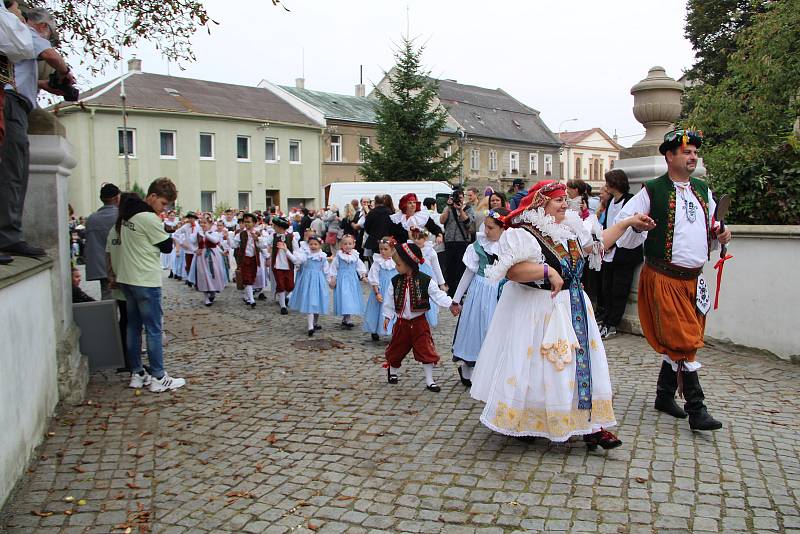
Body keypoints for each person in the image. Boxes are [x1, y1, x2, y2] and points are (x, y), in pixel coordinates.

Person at [470, 180, 654, 448]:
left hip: (574, 307)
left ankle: (592, 426)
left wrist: (627, 224)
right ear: (541, 202)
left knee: (580, 367)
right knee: (542, 369)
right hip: (539, 310)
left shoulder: (570, 228)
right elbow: (512, 271)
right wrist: (546, 271)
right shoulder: (523, 233)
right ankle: (528, 421)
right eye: (558, 200)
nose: (564, 204)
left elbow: (598, 243)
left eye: (565, 200)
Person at [615, 129, 731, 431]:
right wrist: (638, 227)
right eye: (686, 152)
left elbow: (711, 228)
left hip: (693, 281)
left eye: (694, 152)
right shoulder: (651, 190)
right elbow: (623, 229)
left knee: (679, 340)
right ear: (669, 155)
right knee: (684, 342)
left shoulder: (703, 190)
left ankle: (664, 396)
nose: (692, 157)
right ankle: (697, 408)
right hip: (663, 277)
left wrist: (721, 233)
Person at [0, 6, 75, 264]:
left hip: (16, 103)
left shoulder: (18, 40)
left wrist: (51, 86)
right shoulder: (25, 32)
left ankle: (9, 234)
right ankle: (7, 236)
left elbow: (23, 77)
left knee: (16, 171)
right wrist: (64, 72)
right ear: (43, 27)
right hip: (12, 104)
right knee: (12, 170)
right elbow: (50, 55)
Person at [114, 177, 185, 393]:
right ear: (152, 197)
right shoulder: (148, 218)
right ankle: (159, 376)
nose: (164, 208)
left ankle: (137, 372)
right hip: (145, 279)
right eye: (163, 203)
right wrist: (168, 234)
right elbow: (165, 246)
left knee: (133, 327)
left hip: (127, 278)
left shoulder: (127, 215)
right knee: (153, 329)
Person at [382, 242, 461, 392]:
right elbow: (389, 300)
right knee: (396, 349)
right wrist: (387, 316)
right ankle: (392, 370)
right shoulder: (395, 281)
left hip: (419, 323)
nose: (396, 267)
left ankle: (429, 379)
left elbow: (438, 295)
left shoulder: (426, 280)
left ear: (409, 263)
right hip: (401, 323)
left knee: (426, 349)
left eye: (398, 264)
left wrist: (451, 304)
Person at [451, 208, 508, 387]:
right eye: (486, 227)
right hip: (481, 291)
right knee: (476, 329)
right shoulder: (478, 246)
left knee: (498, 330)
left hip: (503, 291)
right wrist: (456, 298)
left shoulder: (512, 246)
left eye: (491, 228)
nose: (486, 231)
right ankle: (468, 368)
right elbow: (468, 273)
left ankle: (495, 371)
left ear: (503, 229)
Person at [597, 169, 643, 339]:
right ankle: (606, 318)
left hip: (624, 252)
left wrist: (613, 243)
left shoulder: (630, 200)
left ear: (614, 183)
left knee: (619, 289)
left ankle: (612, 324)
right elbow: (610, 224)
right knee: (606, 288)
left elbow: (628, 228)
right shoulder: (610, 202)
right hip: (609, 251)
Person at [84, 183, 120, 300]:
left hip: (102, 266)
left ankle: (109, 318)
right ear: (117, 198)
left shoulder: (92, 219)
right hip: (122, 264)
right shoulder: (121, 216)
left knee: (107, 295)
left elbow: (90, 246)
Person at [288, 235, 329, 336]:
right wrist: (286, 251)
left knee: (317, 302)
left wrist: (329, 280)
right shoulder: (306, 255)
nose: (313, 246)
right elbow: (296, 260)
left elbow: (326, 270)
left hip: (318, 281)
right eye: (311, 244)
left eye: (316, 244)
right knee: (310, 301)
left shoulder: (322, 256)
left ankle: (315, 322)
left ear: (320, 245)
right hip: (308, 281)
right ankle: (310, 326)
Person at [440, 188, 475, 296]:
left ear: (463, 198)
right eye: (455, 198)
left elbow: (469, 223)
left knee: (461, 267)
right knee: (449, 267)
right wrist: (448, 207)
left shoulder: (468, 208)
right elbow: (442, 220)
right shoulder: (448, 208)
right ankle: (451, 291)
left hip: (462, 241)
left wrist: (460, 210)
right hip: (450, 241)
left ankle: (460, 292)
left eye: (460, 198)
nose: (457, 200)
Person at [362, 237, 397, 342]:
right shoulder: (377, 262)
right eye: (381, 249)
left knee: (394, 309)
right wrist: (377, 292)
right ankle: (375, 330)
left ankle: (393, 330)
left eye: (385, 249)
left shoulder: (396, 261)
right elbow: (374, 278)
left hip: (393, 290)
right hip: (381, 289)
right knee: (378, 310)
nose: (382, 251)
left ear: (392, 249)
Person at [328, 234, 367, 329]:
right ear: (341, 245)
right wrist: (333, 278)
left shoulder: (355, 256)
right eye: (345, 244)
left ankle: (347, 318)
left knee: (350, 298)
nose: (348, 246)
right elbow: (333, 268)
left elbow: (360, 266)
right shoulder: (338, 257)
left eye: (350, 243)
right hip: (342, 280)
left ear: (353, 244)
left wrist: (363, 275)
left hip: (352, 280)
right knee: (345, 297)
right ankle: (346, 318)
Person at [410, 228, 445, 329]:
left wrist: (441, 283)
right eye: (415, 238)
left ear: (425, 238)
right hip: (414, 277)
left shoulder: (430, 252)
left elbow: (436, 268)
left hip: (428, 279)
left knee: (427, 298)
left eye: (420, 238)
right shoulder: (411, 250)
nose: (417, 241)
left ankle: (427, 318)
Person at [268, 216, 300, 315]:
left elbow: (296, 250)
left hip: (288, 264)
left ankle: (287, 297)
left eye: (275, 225)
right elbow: (265, 244)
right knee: (280, 285)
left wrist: (297, 261)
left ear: (280, 227)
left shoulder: (291, 237)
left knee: (290, 285)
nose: (273, 227)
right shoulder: (273, 236)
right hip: (277, 265)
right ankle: (283, 306)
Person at [194, 218, 227, 307]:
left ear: (210, 225)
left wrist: (206, 234)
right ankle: (206, 297)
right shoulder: (198, 234)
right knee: (203, 275)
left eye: (205, 223)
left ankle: (212, 291)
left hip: (213, 256)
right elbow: (191, 244)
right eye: (201, 223)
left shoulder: (215, 233)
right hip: (202, 257)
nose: (203, 225)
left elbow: (215, 241)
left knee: (214, 274)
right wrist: (195, 250)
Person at [232, 213, 260, 308]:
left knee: (252, 277)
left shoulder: (258, 233)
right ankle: (252, 300)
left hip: (254, 259)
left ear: (254, 223)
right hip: (244, 258)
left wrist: (267, 256)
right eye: (245, 222)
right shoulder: (241, 234)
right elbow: (234, 245)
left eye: (249, 222)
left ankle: (247, 296)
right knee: (247, 278)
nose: (246, 224)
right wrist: (227, 239)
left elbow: (262, 246)